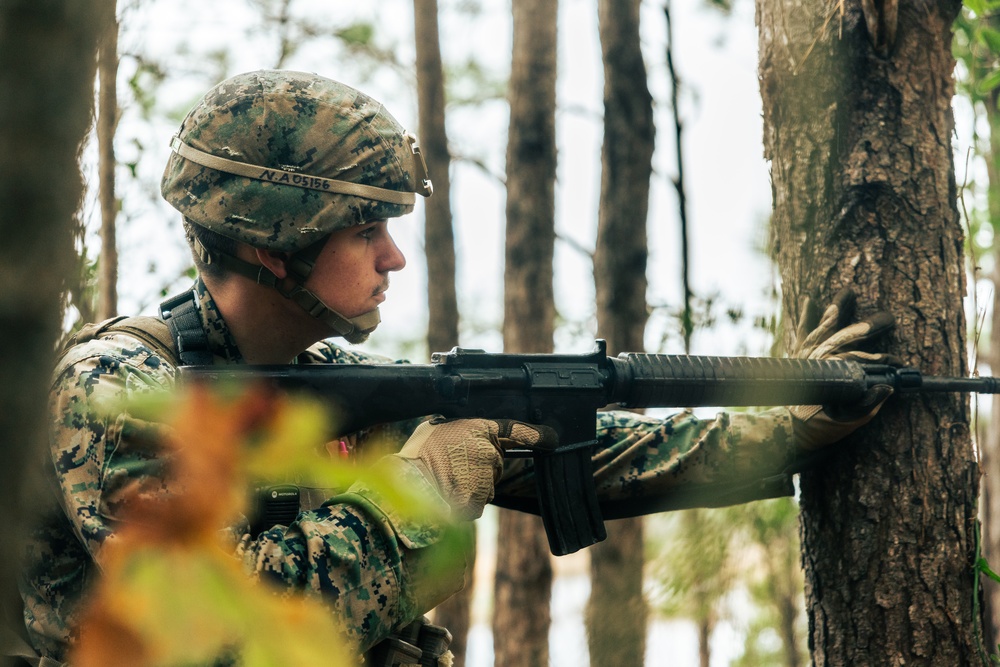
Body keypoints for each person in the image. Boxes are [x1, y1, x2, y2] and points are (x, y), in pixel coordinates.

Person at [16, 69, 894, 666]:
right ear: (270, 245)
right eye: (367, 229)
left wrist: (796, 414)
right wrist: (428, 488)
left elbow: (602, 455)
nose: (394, 257)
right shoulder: (119, 394)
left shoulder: (328, 385)